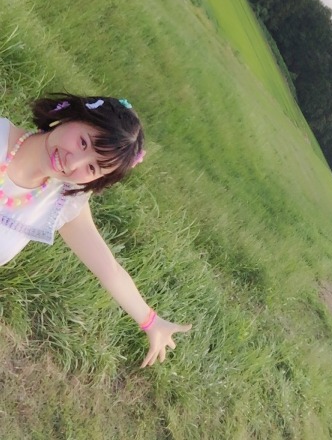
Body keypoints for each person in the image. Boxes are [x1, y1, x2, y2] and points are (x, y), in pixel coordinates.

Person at [0, 93, 191, 367]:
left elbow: (109, 269)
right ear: (74, 116)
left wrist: (151, 321)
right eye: (83, 142)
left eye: (91, 167)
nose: (73, 163)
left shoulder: (61, 201)